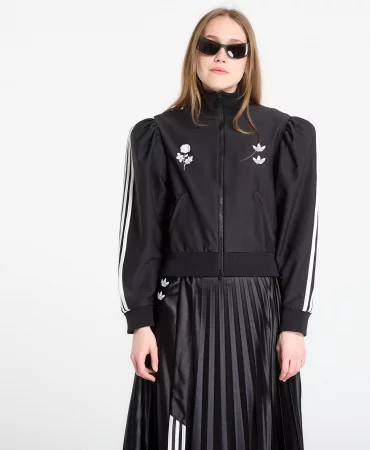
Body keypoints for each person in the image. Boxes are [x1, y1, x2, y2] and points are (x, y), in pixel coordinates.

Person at [117, 7, 319, 450]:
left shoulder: (284, 133)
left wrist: (294, 324)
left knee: (254, 429)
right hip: (181, 309)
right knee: (181, 429)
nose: (221, 56)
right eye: (210, 46)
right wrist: (140, 321)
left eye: (234, 49)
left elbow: (300, 235)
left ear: (249, 59)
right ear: (195, 53)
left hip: (258, 309)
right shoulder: (158, 134)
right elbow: (141, 232)